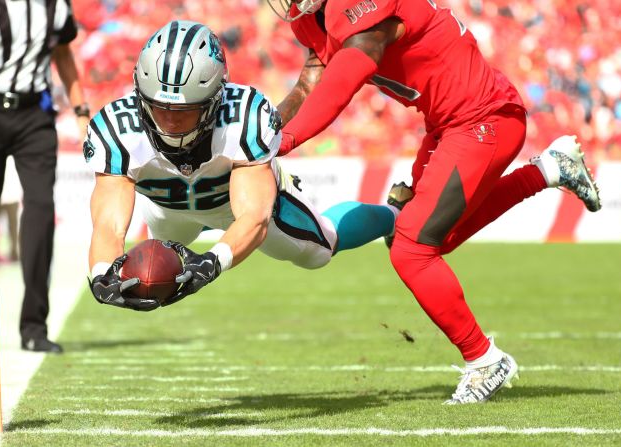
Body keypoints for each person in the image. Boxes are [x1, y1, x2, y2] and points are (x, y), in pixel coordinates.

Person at [266, 0, 602, 404]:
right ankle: (549, 170)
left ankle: (485, 359)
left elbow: (345, 77)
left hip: (482, 119)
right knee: (426, 239)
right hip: (450, 124)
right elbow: (308, 87)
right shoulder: (312, 19)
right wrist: (258, 132)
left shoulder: (359, 9)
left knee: (412, 249)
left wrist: (283, 142)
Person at [86, 20, 399, 311]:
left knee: (321, 249)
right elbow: (109, 226)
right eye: (158, 107)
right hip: (167, 210)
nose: (169, 121)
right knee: (151, 262)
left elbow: (253, 219)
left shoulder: (245, 118)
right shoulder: (116, 128)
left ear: (215, 99)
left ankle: (396, 216)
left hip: (236, 203)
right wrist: (101, 274)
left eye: (184, 111)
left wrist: (212, 262)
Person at [0, 0, 91, 353]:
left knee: (40, 210)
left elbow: (63, 53)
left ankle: (34, 327)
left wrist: (81, 112)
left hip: (35, 114)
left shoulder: (54, 5)